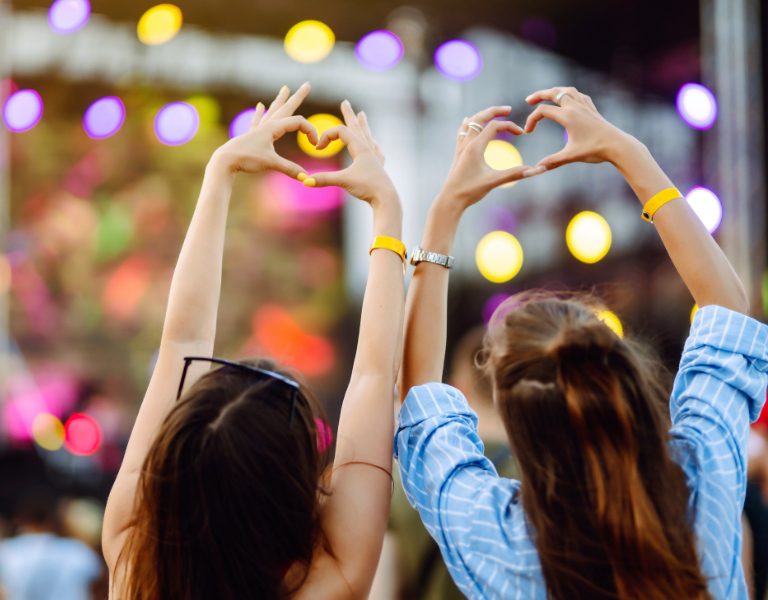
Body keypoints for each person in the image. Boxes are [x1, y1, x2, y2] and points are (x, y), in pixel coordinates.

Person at [396, 87, 768, 599]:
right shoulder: (700, 482)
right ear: (624, 372)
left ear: (515, 419)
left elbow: (415, 393)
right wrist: (628, 153)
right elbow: (726, 306)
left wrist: (445, 211)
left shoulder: (497, 537)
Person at [101, 84, 405, 599]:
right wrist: (386, 207)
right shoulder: (334, 579)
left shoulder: (135, 565)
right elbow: (374, 378)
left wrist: (220, 171)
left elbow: (181, 344)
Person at [0, 491, 102, 600]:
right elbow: (97, 583)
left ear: (20, 521)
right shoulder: (78, 550)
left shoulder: (6, 551)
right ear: (52, 521)